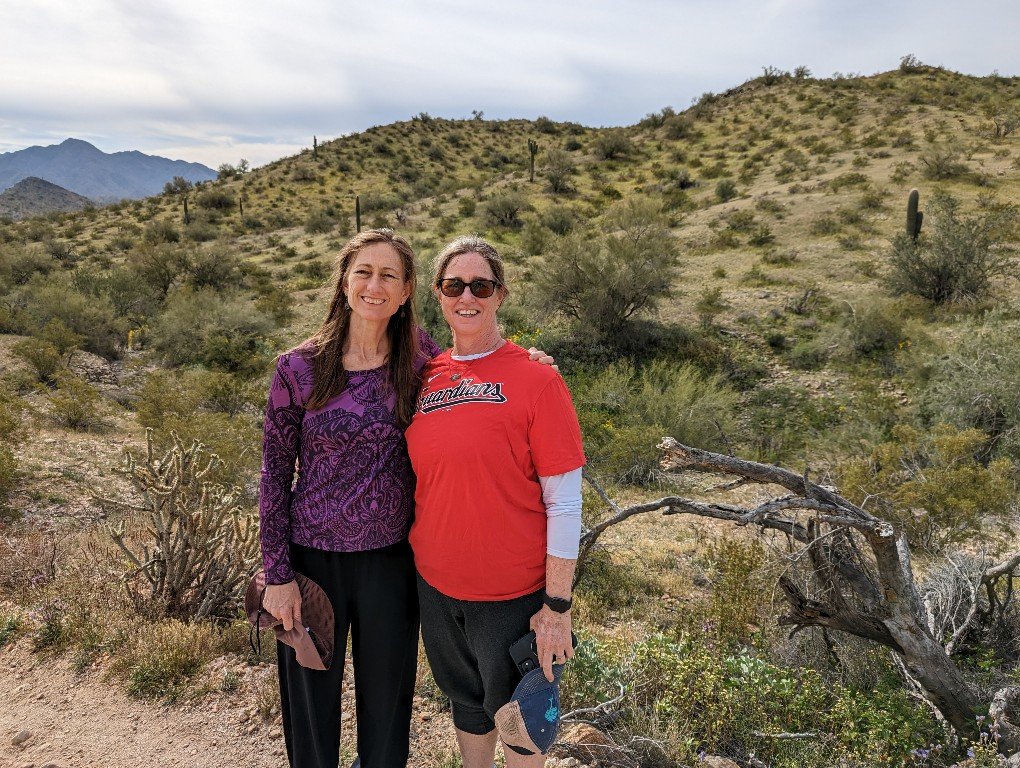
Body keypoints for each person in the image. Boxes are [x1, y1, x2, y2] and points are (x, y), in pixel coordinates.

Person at [257, 229, 556, 768]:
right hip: (311, 564)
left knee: (388, 707)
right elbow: (274, 476)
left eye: (389, 275)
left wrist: (531, 363)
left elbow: (477, 366)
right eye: (363, 272)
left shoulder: (420, 360)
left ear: (406, 290)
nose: (374, 286)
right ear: (344, 282)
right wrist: (277, 576)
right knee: (310, 707)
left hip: (393, 564)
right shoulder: (297, 368)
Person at [405, 235, 586, 768]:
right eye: (453, 285)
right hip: (437, 590)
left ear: (500, 294)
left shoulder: (537, 378)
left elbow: (565, 502)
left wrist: (557, 608)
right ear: (438, 294)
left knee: (521, 722)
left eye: (480, 286)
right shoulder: (424, 376)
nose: (467, 296)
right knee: (467, 704)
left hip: (513, 598)